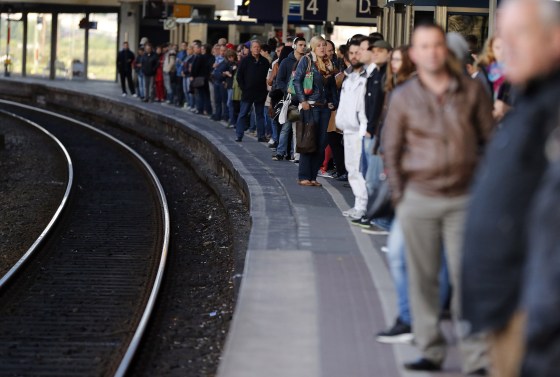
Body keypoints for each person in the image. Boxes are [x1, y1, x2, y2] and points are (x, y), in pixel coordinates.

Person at [382, 23, 494, 374]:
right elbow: (391, 150)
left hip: (465, 199)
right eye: (424, 46)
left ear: (445, 51)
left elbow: (489, 142)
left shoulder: (473, 92)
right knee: (423, 278)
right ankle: (430, 351)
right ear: (414, 54)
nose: (431, 52)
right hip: (419, 198)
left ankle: (477, 358)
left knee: (468, 280)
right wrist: (401, 196)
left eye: (437, 45)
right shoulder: (403, 97)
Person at [461, 1, 560, 376]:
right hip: (506, 311)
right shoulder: (528, 98)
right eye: (502, 35)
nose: (506, 46)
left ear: (555, 39)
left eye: (521, 33)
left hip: (534, 320)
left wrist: (542, 334)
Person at [294, 36, 336, 187]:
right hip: (310, 106)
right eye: (319, 46)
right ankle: (304, 175)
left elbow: (331, 86)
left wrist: (332, 102)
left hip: (324, 107)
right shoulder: (307, 61)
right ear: (313, 47)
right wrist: (302, 100)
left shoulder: (329, 63)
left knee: (322, 143)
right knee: (309, 140)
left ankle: (313, 176)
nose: (322, 48)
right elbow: (297, 80)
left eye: (324, 45)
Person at [335, 38, 368, 217]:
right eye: (352, 53)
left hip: (359, 131)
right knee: (352, 169)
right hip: (347, 129)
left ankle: (363, 207)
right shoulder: (349, 78)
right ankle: (358, 204)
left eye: (358, 53)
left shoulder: (367, 78)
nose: (355, 56)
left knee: (359, 170)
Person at [234, 40, 270, 142]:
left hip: (260, 92)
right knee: (243, 113)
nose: (257, 49)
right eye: (254, 47)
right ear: (251, 49)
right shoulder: (245, 61)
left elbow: (268, 76)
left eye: (258, 47)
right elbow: (239, 76)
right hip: (247, 92)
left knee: (259, 115)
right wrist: (244, 88)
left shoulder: (265, 61)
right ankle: (239, 135)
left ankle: (261, 136)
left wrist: (265, 90)